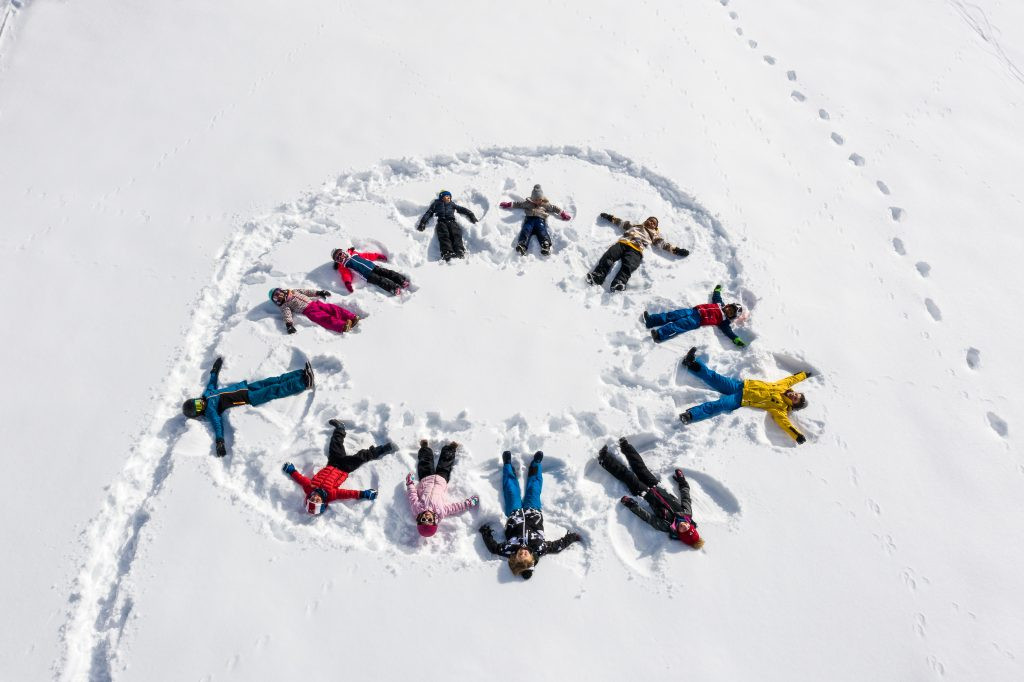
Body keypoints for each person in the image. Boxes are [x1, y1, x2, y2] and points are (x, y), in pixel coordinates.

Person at [478, 451, 582, 580]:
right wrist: (572, 537)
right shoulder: (540, 548)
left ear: (514, 558)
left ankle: (507, 465)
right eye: (525, 555)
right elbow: (557, 546)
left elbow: (493, 548)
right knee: (534, 488)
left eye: (519, 555)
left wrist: (485, 532)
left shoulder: (508, 549)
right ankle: (536, 464)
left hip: (514, 513)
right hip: (533, 510)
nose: (522, 552)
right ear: (532, 558)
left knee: (510, 491)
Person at [182, 356, 313, 457]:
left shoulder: (207, 393)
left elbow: (212, 382)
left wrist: (214, 370)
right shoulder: (210, 411)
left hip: (246, 387)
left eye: (197, 401)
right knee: (275, 389)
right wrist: (219, 441)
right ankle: (305, 381)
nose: (201, 403)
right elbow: (217, 424)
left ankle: (301, 374)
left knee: (273, 380)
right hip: (248, 398)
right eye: (198, 407)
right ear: (199, 412)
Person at [678, 346, 811, 443]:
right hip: (741, 386)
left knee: (718, 405)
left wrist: (797, 435)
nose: (794, 396)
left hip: (740, 398)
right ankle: (691, 363)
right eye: (797, 395)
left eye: (795, 400)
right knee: (714, 377)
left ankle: (691, 415)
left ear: (793, 405)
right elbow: (792, 379)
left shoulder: (780, 408)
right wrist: (804, 374)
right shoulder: (784, 386)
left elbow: (785, 424)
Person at [597, 438, 703, 548]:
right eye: (688, 526)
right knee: (640, 468)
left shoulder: (666, 526)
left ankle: (604, 459)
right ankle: (625, 446)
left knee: (628, 476)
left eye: (683, 530)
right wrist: (682, 481)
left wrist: (632, 505)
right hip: (656, 486)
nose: (684, 526)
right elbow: (686, 496)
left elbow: (648, 518)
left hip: (645, 494)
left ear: (680, 534)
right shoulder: (686, 513)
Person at [282, 419, 394, 516]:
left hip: (332, 463)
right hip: (344, 468)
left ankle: (340, 428)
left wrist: (292, 471)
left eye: (311, 499)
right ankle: (382, 449)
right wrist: (363, 494)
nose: (314, 498)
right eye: (316, 501)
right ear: (322, 502)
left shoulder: (309, 488)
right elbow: (347, 493)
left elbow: (301, 480)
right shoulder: (331, 495)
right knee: (362, 456)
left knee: (335, 445)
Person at [586, 213, 689, 291]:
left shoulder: (654, 235)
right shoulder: (634, 226)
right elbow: (620, 222)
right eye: (650, 220)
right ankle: (597, 276)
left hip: (636, 249)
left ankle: (619, 282)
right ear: (646, 221)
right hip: (623, 243)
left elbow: (663, 244)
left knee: (629, 265)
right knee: (609, 257)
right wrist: (610, 217)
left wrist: (676, 250)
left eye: (654, 223)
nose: (651, 223)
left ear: (655, 227)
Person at [406, 440, 479, 538]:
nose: (427, 517)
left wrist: (410, 483)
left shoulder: (417, 508)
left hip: (425, 479)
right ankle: (451, 449)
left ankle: (424, 447)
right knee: (445, 465)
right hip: (441, 480)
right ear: (435, 521)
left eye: (423, 520)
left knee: (425, 462)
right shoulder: (441, 511)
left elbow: (412, 495)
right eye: (429, 520)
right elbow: (455, 508)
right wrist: (468, 503)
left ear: (419, 519)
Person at [645, 284, 747, 345]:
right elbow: (716, 297)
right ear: (729, 305)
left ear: (731, 316)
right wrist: (717, 290)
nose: (729, 311)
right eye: (730, 308)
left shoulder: (724, 321)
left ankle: (659, 335)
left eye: (731, 313)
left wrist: (735, 338)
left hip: (696, 320)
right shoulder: (720, 304)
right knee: (672, 315)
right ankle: (651, 320)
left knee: (677, 325)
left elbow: (728, 331)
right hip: (693, 311)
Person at [498, 183, 571, 256]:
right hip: (529, 220)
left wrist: (562, 214)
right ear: (532, 198)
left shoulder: (545, 204)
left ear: (542, 199)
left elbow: (554, 208)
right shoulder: (528, 203)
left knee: (542, 231)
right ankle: (522, 245)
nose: (538, 201)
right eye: (536, 199)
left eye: (539, 199)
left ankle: (545, 245)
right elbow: (519, 204)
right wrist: (509, 204)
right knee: (526, 230)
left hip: (540, 220)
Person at [416, 190, 478, 262]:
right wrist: (422, 222)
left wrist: (470, 214)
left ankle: (459, 249)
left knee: (456, 234)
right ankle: (446, 251)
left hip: (452, 222)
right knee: (444, 236)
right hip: (441, 223)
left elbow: (461, 209)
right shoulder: (436, 204)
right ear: (441, 197)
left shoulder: (452, 204)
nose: (448, 198)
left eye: (449, 197)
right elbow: (429, 213)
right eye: (446, 196)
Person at [268, 287, 358, 334]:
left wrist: (319, 292)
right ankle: (342, 326)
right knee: (324, 318)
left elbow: (307, 292)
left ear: (281, 290)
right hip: (308, 310)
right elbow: (286, 314)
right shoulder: (284, 305)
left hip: (315, 303)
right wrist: (289, 325)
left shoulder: (294, 291)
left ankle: (350, 317)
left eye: (278, 293)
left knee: (332, 308)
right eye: (275, 298)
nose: (279, 296)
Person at [331, 247, 410, 296]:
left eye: (340, 254)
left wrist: (377, 256)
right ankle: (394, 288)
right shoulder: (343, 266)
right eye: (338, 258)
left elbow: (367, 255)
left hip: (373, 267)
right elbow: (346, 275)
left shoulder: (354, 254)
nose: (341, 257)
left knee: (387, 272)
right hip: (367, 275)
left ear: (344, 252)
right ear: (337, 261)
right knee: (380, 280)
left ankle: (401, 280)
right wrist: (347, 283)